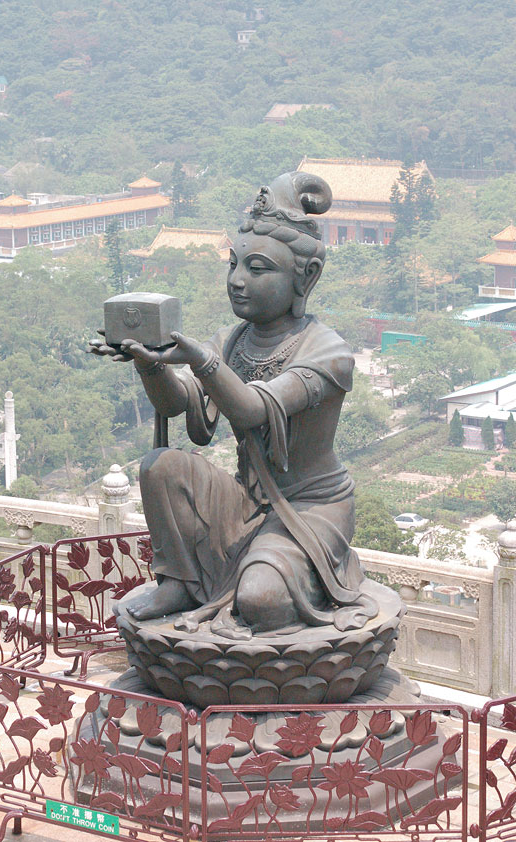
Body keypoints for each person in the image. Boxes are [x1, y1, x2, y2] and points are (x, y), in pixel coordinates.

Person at [90, 172, 377, 640]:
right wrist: (149, 364)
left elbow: (250, 410)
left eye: (257, 269)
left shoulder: (327, 352)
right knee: (161, 466)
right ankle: (179, 583)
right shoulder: (234, 340)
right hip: (246, 501)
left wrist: (202, 359)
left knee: (260, 602)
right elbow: (181, 403)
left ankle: (291, 573)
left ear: (306, 277)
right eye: (233, 265)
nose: (237, 281)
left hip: (309, 508)